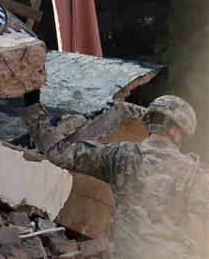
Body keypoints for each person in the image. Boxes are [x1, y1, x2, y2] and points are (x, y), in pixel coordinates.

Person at [22, 95, 209, 258]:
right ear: (177, 131)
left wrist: (33, 106)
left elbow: (59, 155)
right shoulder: (191, 172)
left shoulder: (119, 155)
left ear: (150, 122)